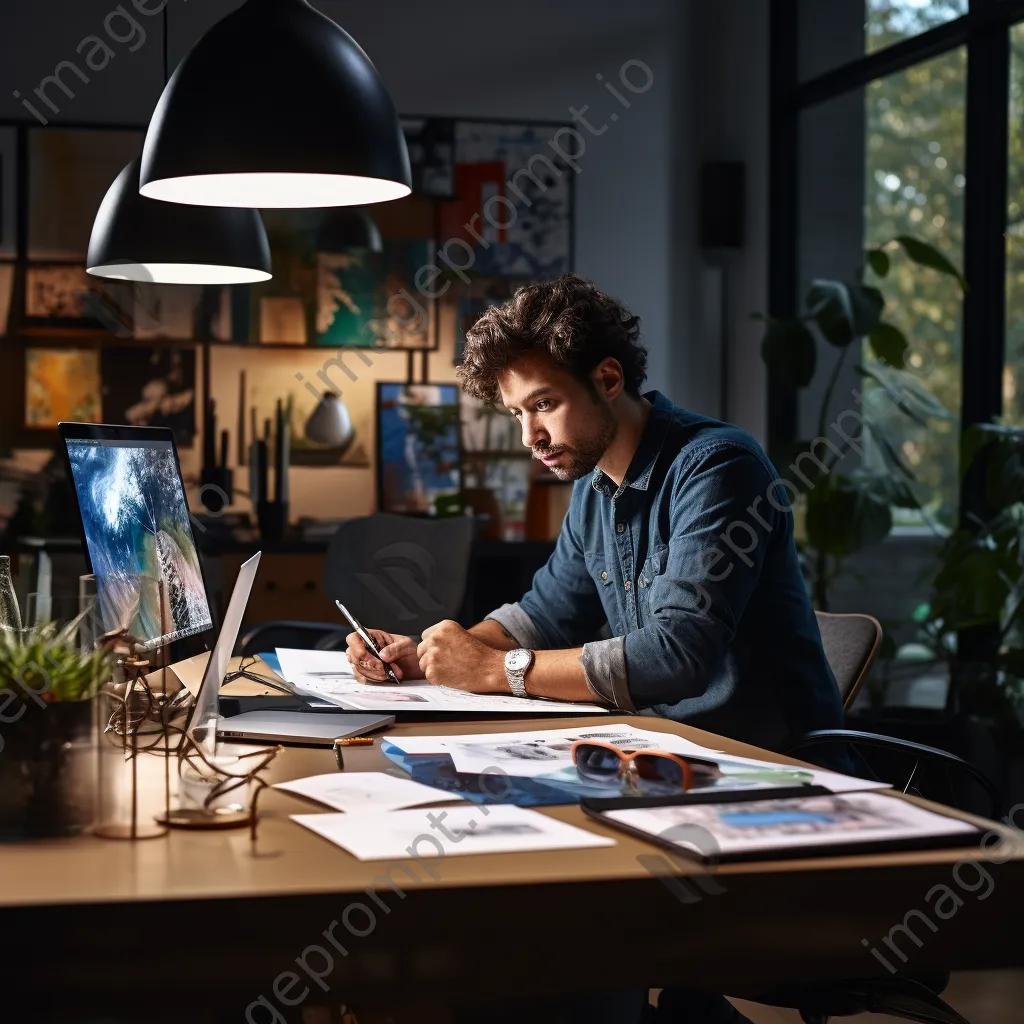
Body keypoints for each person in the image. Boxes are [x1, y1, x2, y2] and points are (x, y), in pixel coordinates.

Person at [345, 273, 849, 1023]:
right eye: (517, 414)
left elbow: (677, 654)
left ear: (608, 379)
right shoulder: (595, 491)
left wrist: (493, 670)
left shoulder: (718, 467)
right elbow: (544, 613)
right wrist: (434, 652)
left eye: (543, 405)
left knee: (531, 930)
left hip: (767, 799)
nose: (530, 438)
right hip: (661, 781)